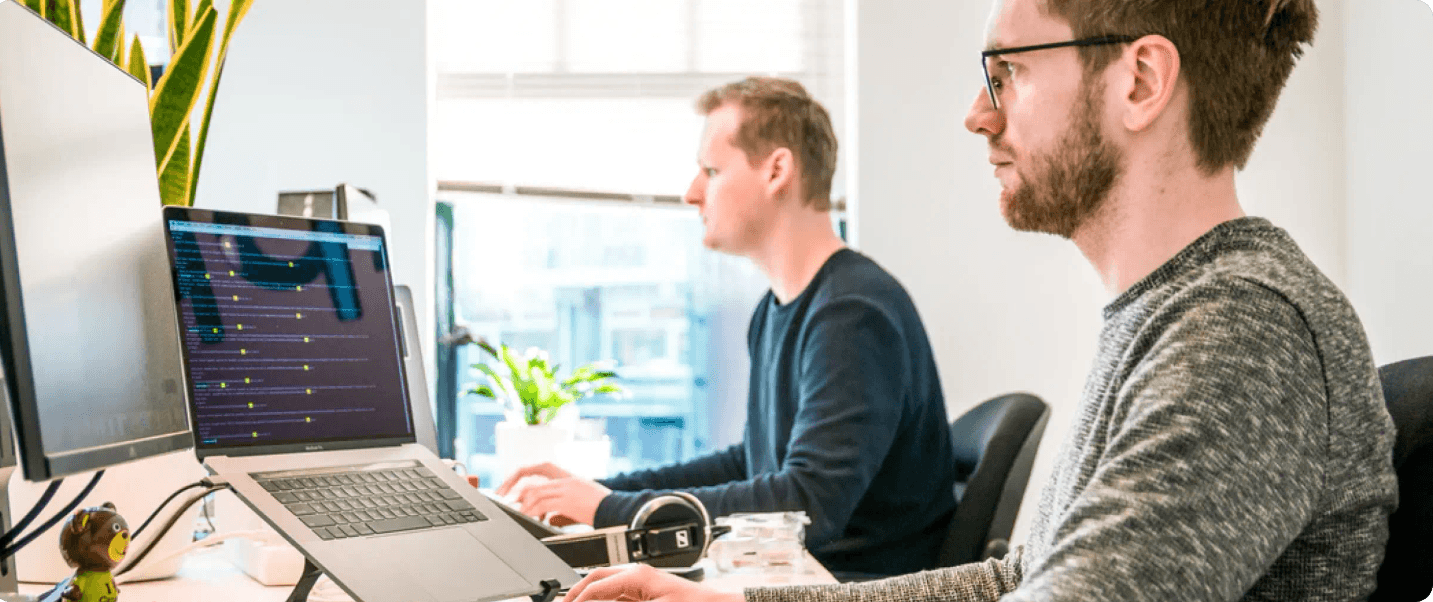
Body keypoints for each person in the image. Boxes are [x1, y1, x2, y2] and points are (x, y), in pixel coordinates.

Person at [561, 0, 1400, 600]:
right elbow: (1020, 576)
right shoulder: (1172, 313)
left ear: (1140, 80)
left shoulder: (1240, 332)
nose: (976, 115)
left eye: (1007, 75)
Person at [495, 77, 960, 579]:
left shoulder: (853, 314)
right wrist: (601, 492)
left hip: (852, 585)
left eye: (711, 170)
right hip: (798, 574)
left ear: (777, 170)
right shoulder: (777, 310)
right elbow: (752, 463)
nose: (692, 192)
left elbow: (807, 506)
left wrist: (610, 510)